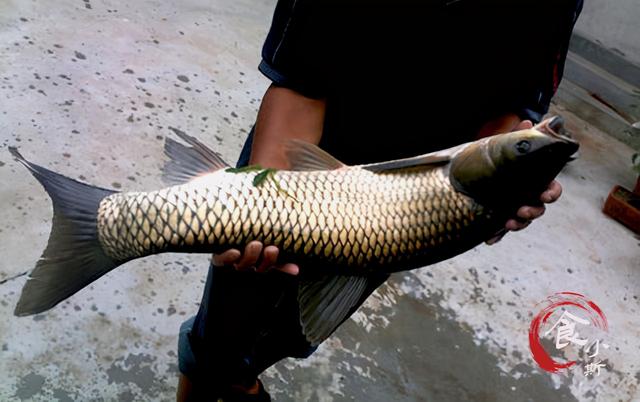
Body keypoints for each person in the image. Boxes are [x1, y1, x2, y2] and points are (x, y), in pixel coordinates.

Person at [176, 0, 583, 400]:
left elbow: (512, 103)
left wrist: (505, 180)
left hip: (411, 204)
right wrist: (262, 208)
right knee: (221, 339)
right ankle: (231, 380)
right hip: (303, 153)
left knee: (287, 335)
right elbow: (302, 83)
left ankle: (241, 380)